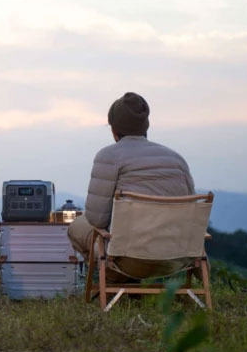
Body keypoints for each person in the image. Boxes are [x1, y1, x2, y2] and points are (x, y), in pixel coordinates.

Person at [67, 92, 196, 280]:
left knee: (77, 227)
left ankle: (116, 283)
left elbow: (97, 220)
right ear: (145, 126)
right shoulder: (177, 160)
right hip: (176, 258)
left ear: (114, 129)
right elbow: (189, 216)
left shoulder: (109, 156)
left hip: (128, 260)